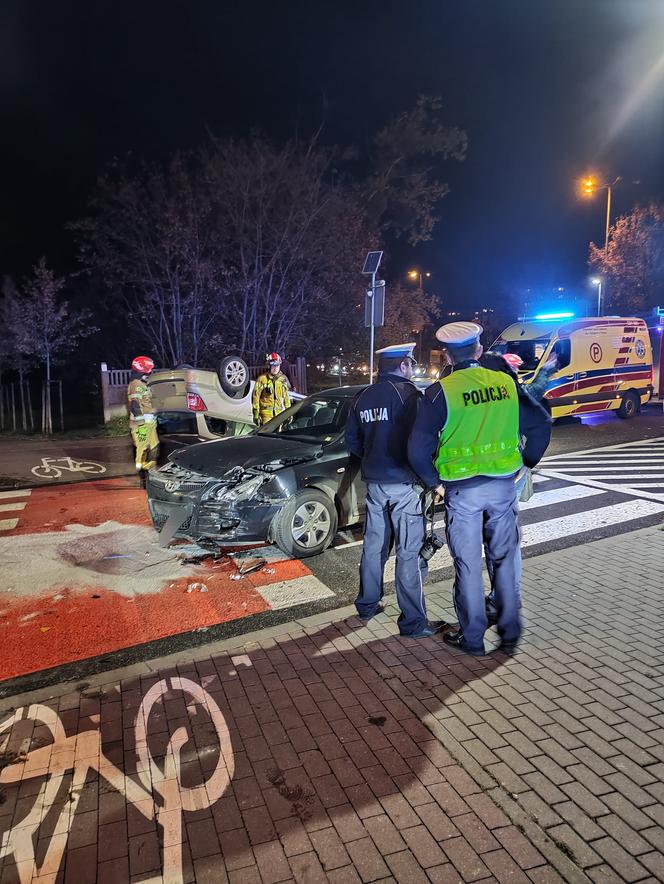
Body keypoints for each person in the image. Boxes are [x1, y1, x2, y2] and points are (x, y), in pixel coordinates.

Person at [409, 322, 551, 656]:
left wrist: (435, 484)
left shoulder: (440, 392)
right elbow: (541, 423)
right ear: (477, 350)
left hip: (462, 493)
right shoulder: (505, 383)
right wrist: (527, 463)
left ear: (447, 354)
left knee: (469, 566)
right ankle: (510, 634)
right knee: (504, 560)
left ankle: (473, 640)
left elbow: (416, 449)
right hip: (502, 487)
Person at [345, 343, 445, 638]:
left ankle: (367, 603)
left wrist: (372, 458)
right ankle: (413, 622)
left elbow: (352, 440)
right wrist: (430, 478)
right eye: (410, 363)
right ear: (404, 365)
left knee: (374, 546)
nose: (412, 368)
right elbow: (423, 442)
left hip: (375, 484)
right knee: (409, 553)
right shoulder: (413, 397)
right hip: (405, 485)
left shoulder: (362, 397)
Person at [127, 355, 159, 486]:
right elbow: (135, 406)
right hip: (142, 424)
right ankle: (144, 479)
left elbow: (146, 403)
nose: (150, 372)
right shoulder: (136, 385)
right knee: (143, 451)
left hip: (149, 423)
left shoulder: (142, 384)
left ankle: (149, 475)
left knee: (153, 448)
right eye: (149, 370)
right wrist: (141, 425)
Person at [252, 352, 291, 426]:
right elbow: (255, 397)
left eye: (277, 365)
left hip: (279, 415)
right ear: (269, 366)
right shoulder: (262, 379)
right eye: (273, 365)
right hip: (266, 416)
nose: (275, 368)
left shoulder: (282, 380)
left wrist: (288, 413)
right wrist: (256, 413)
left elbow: (286, 398)